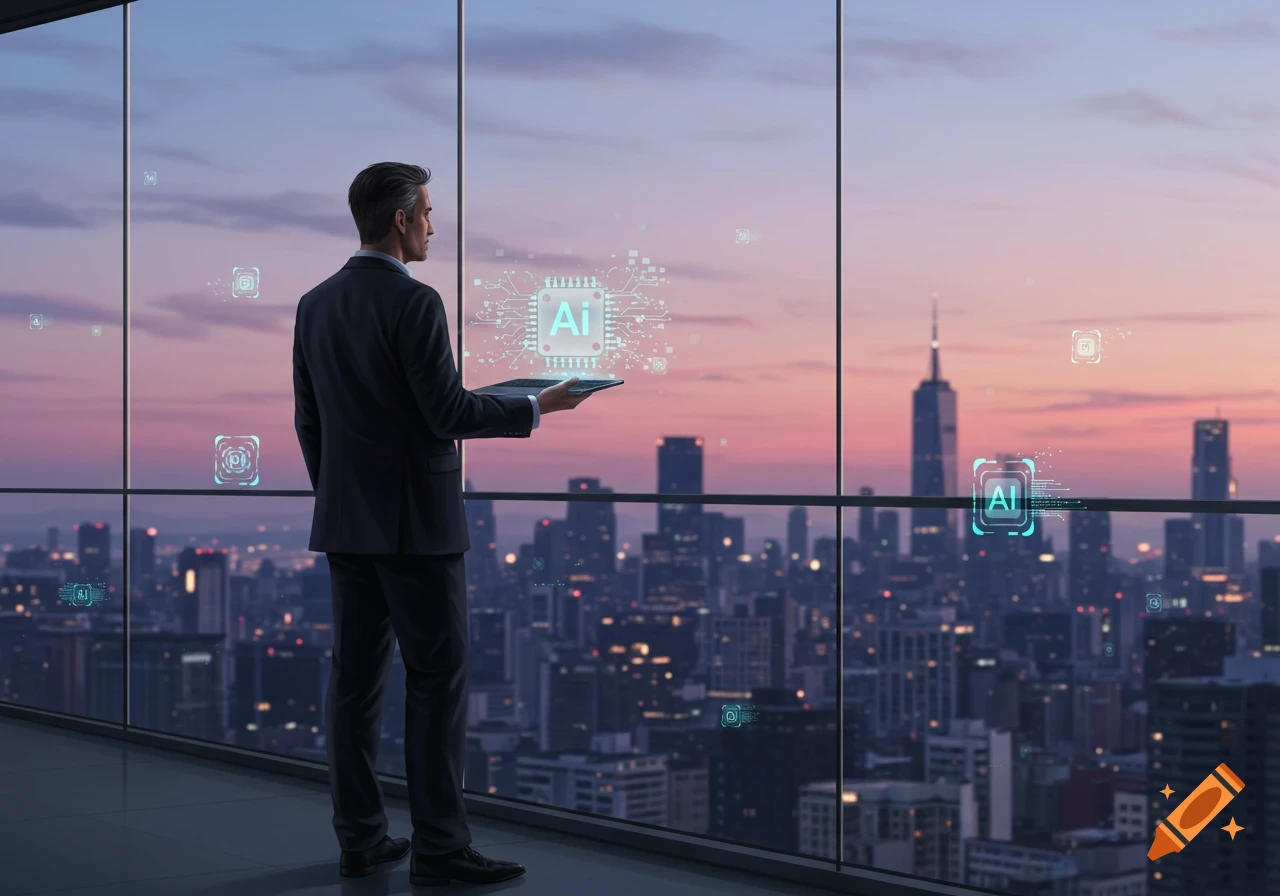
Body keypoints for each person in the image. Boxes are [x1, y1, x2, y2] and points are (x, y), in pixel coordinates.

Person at [292, 161, 590, 885]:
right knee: (436, 683)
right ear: (399, 220)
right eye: (426, 210)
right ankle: (441, 848)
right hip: (416, 528)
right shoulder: (415, 302)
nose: (433, 223)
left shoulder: (315, 303)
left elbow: (309, 420)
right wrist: (536, 405)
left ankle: (361, 838)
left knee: (354, 686)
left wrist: (340, 497)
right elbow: (447, 414)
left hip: (347, 521)